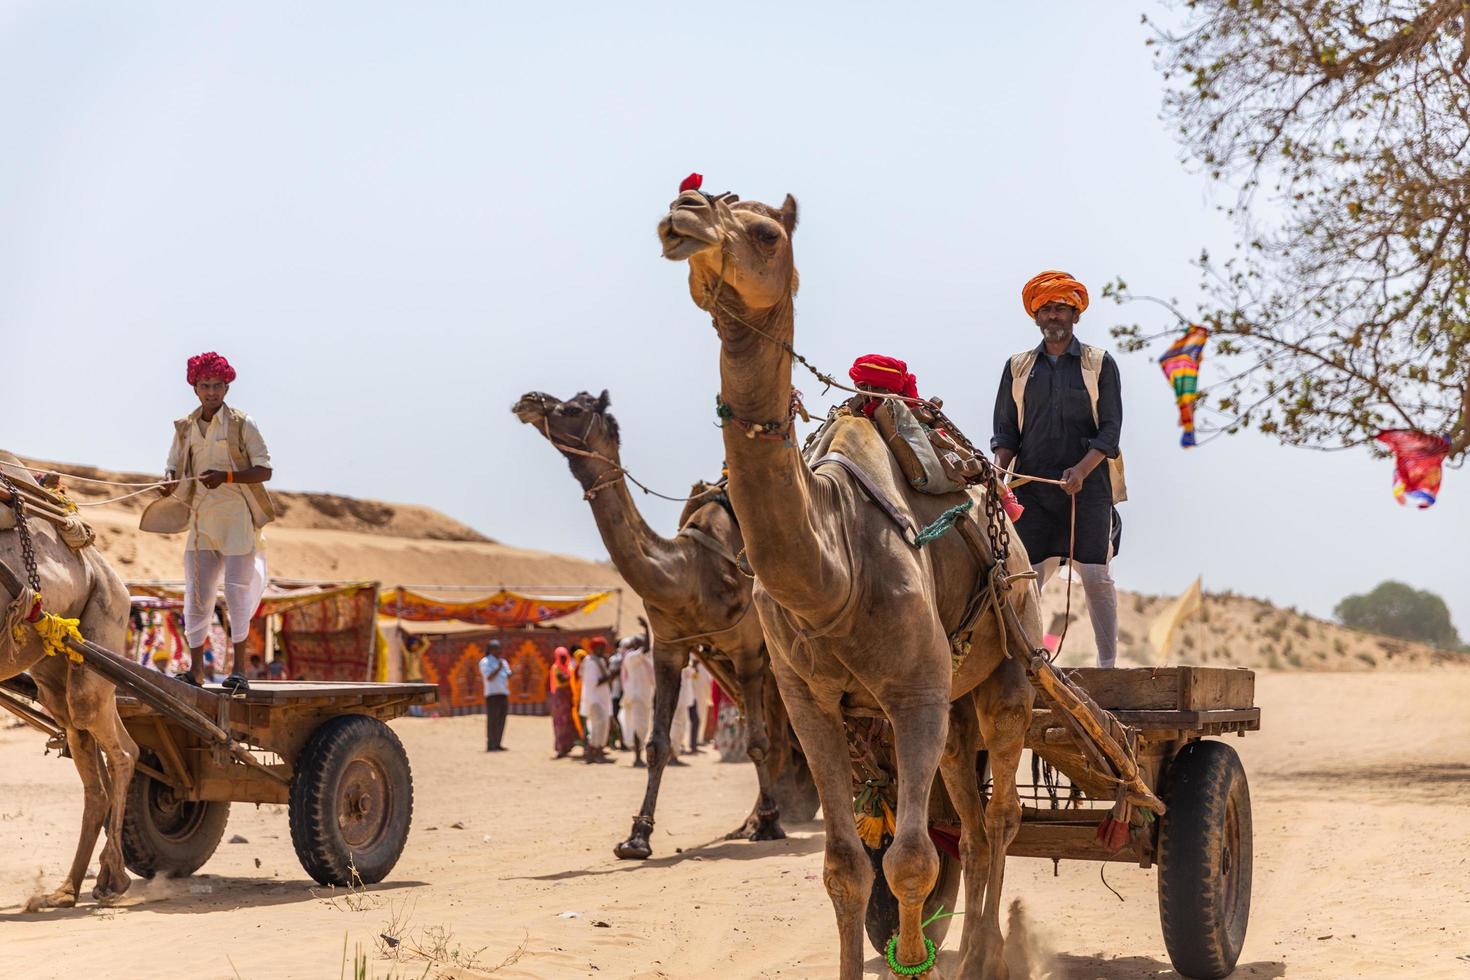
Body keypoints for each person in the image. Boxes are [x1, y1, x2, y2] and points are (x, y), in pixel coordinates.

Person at [992, 271, 1123, 668]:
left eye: (1061, 308)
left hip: (1090, 490)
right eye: (1046, 308)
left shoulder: (1098, 363)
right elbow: (1005, 432)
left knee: (1096, 578)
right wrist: (998, 476)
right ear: (1036, 316)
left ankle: (1108, 670)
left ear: (1075, 315)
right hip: (1032, 490)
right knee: (1026, 581)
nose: (1054, 316)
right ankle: (1020, 665)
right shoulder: (1017, 367)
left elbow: (1110, 431)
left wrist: (1082, 470)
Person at [160, 352, 275, 684]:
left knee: (237, 593)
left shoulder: (242, 424)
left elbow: (264, 469)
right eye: (205, 385)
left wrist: (226, 477)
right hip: (201, 521)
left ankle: (238, 671)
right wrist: (168, 482)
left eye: (217, 386)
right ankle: (195, 671)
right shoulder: (184, 428)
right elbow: (173, 466)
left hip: (238, 519)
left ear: (227, 388)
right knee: (197, 594)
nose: (211, 392)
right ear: (195, 388)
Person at [617, 636, 655, 768]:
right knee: (638, 726)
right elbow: (646, 648)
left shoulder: (644, 659)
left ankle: (638, 756)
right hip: (636, 697)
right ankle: (637, 758)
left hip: (644, 698)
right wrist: (646, 629)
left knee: (642, 727)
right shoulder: (631, 657)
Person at [579, 639, 616, 764]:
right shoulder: (590, 663)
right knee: (597, 726)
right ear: (594, 648)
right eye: (600, 648)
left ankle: (597, 752)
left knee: (603, 726)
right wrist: (610, 676)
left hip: (602, 699)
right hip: (594, 700)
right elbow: (593, 683)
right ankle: (592, 753)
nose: (603, 650)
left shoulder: (599, 661)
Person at [479, 638, 512, 752]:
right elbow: (489, 677)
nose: (499, 651)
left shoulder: (503, 661)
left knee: (501, 720)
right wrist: (498, 669)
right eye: (497, 649)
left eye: (500, 649)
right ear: (491, 650)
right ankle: (490, 745)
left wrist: (505, 670)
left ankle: (498, 743)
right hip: (492, 695)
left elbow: (509, 674)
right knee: (492, 720)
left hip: (503, 693)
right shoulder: (485, 662)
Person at [548, 646, 578, 758]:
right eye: (561, 657)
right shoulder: (556, 668)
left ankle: (568, 746)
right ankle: (560, 747)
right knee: (560, 723)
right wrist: (572, 675)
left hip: (569, 696)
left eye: (565, 656)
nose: (563, 659)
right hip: (560, 698)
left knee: (569, 722)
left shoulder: (569, 667)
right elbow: (562, 679)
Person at [668, 657, 695, 765]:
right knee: (676, 729)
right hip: (678, 702)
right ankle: (673, 756)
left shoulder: (684, 665)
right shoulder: (678, 665)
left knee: (680, 728)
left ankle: (675, 755)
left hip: (682, 702)